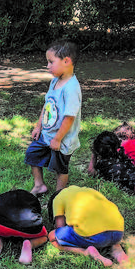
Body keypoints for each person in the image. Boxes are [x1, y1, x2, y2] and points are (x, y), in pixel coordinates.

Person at [26, 40, 82, 195]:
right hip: (46, 134)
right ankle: (39, 185)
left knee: (60, 167)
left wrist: (57, 139)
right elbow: (47, 105)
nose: (47, 66)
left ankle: (59, 194)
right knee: (32, 154)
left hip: (62, 139)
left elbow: (69, 118)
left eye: (51, 62)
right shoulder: (54, 81)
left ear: (66, 61)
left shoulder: (71, 88)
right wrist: (39, 126)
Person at [47, 186, 128, 267]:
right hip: (118, 230)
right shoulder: (88, 190)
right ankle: (118, 250)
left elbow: (59, 227)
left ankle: (86, 252)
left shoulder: (57, 199)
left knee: (52, 236)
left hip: (95, 235)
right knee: (106, 229)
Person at [0, 190, 49, 265]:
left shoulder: (2, 198)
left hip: (0, 226)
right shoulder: (32, 199)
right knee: (44, 236)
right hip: (27, 226)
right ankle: (30, 244)